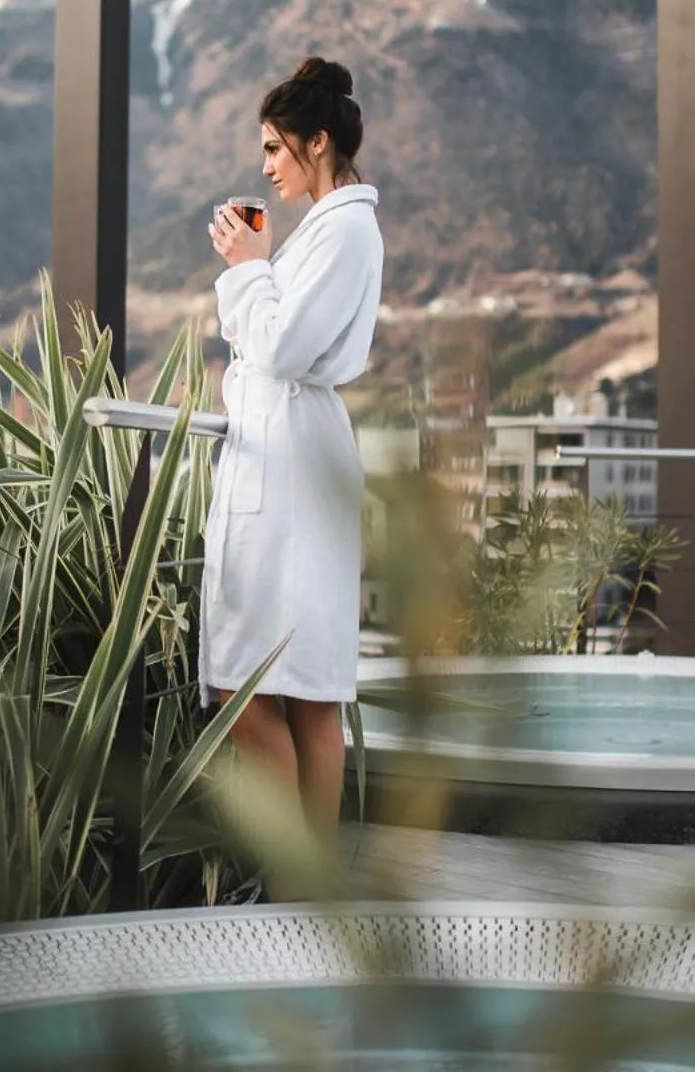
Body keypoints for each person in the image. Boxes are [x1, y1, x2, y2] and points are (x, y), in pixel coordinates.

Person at [203, 56, 383, 855]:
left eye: (275, 147)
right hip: (297, 456)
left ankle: (297, 875)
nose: (266, 165)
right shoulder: (334, 229)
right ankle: (315, 893)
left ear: (317, 143)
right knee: (306, 691)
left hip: (286, 470)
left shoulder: (343, 230)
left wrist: (246, 269)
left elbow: (280, 345)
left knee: (242, 687)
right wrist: (260, 270)